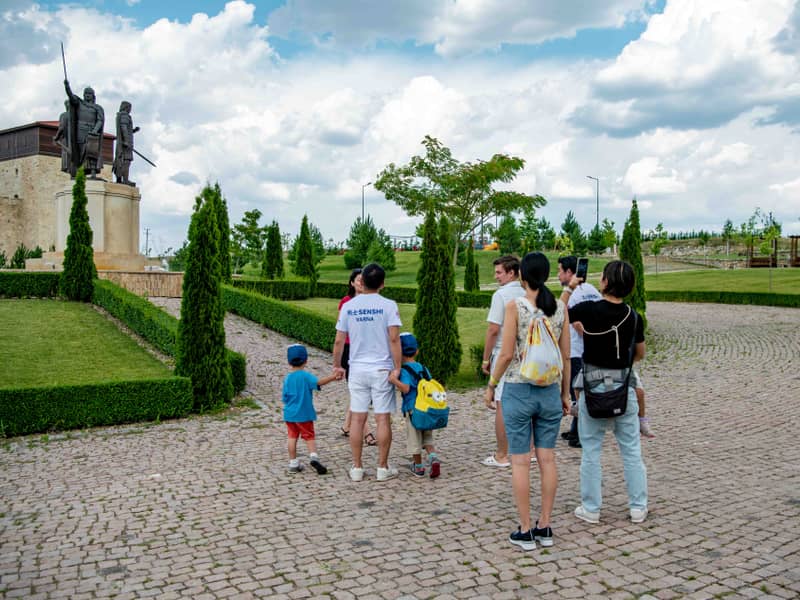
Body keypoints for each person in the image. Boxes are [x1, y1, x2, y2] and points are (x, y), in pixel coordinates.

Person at [484, 252, 571, 551]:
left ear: (522, 276)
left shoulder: (515, 306)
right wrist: (565, 393)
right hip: (549, 390)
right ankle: (545, 525)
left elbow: (506, 353)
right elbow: (565, 355)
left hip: (519, 390)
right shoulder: (559, 307)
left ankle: (524, 529)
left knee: (520, 461)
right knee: (547, 459)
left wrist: (491, 384)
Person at [569, 260, 648, 524]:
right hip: (623, 388)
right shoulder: (634, 316)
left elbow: (559, 313)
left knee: (591, 450)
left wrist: (571, 287)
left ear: (605, 281)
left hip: (592, 387)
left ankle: (591, 509)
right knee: (631, 451)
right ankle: (638, 506)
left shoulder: (588, 310)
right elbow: (640, 353)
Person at [333, 263, 402, 482]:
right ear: (383, 283)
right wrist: (397, 367)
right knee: (382, 419)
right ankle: (382, 468)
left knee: (358, 419)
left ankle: (357, 468)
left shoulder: (349, 306)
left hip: (358, 368)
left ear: (361, 282)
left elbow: (339, 340)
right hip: (381, 367)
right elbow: (394, 339)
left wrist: (337, 365)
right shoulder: (389, 305)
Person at [481, 255, 526, 468]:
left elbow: (492, 329)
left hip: (503, 351)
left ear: (511, 272)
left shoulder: (501, 295)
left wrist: (485, 358)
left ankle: (502, 454)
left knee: (501, 402)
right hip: (526, 352)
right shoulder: (528, 291)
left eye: (499, 272)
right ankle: (531, 448)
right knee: (526, 400)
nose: (496, 276)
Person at [558, 256, 601, 448]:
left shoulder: (573, 295)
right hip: (590, 351)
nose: (558, 275)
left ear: (569, 272)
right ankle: (576, 429)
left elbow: (576, 324)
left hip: (576, 350)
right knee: (582, 392)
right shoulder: (592, 290)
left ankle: (580, 435)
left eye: (560, 270)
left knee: (577, 395)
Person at [388, 332, 442, 479]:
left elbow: (405, 388)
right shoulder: (423, 368)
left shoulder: (404, 370)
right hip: (426, 409)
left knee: (414, 440)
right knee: (427, 437)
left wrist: (393, 380)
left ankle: (418, 467)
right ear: (417, 351)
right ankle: (433, 457)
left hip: (412, 409)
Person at [282, 344, 339, 475]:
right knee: (309, 436)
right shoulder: (306, 376)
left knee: (292, 436)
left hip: (289, 414)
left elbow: (284, 397)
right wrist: (332, 377)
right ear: (306, 360)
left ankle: (293, 463)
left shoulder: (288, 378)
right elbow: (318, 383)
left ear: (289, 361)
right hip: (304, 413)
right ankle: (313, 457)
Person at [338, 268, 376, 446]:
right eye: (358, 280)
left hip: (366, 350)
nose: (361, 283)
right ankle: (367, 432)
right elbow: (342, 331)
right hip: (350, 350)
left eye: (364, 280)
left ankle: (347, 426)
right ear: (352, 283)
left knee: (359, 391)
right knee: (358, 391)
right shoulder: (346, 302)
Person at [64, 80, 105, 178]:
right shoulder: (79, 103)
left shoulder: (97, 108)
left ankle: (93, 172)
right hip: (80, 131)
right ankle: (79, 171)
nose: (87, 95)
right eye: (86, 93)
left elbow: (100, 120)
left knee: (92, 152)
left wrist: (95, 130)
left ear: (93, 96)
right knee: (80, 151)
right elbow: (71, 96)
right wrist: (67, 86)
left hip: (92, 132)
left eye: (89, 94)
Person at [113, 101, 140, 186]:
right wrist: (126, 141)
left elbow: (126, 130)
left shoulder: (120, 115)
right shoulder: (125, 116)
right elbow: (123, 128)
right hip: (125, 145)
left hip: (123, 143)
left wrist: (133, 131)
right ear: (126, 107)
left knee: (121, 160)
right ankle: (125, 179)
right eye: (129, 108)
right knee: (126, 160)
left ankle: (120, 178)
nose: (130, 110)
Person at [53, 100, 72, 175]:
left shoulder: (63, 115)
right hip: (76, 141)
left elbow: (61, 128)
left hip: (66, 140)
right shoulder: (78, 115)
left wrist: (56, 137)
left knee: (66, 154)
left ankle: (68, 168)